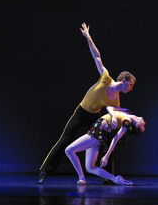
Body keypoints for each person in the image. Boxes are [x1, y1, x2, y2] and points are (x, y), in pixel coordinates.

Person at [38, 23, 136, 184]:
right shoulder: (106, 78)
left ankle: (108, 177)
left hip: (95, 116)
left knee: (108, 136)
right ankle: (44, 172)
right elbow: (97, 57)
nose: (131, 89)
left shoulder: (116, 99)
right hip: (81, 113)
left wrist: (128, 117)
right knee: (65, 140)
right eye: (131, 85)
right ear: (124, 81)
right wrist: (88, 37)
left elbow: (115, 110)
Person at [65, 109, 145, 185]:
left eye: (143, 125)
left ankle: (81, 177)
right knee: (90, 168)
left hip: (97, 133)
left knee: (69, 150)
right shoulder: (127, 112)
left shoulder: (127, 122)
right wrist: (113, 115)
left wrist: (106, 156)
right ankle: (115, 179)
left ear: (137, 125)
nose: (144, 122)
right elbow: (109, 107)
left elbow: (115, 139)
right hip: (97, 133)